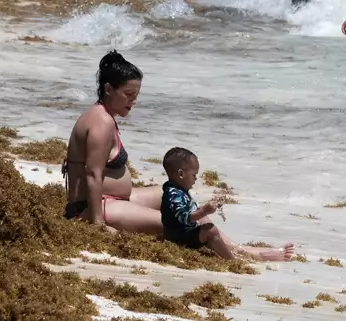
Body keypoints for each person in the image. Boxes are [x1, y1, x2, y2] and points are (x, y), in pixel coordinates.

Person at [63, 52, 162, 233]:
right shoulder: (102, 121)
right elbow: (93, 174)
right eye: (129, 94)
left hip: (111, 200)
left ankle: (232, 250)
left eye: (136, 95)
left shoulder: (103, 115)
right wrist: (98, 224)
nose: (133, 101)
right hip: (94, 208)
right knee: (180, 223)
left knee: (173, 196)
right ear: (109, 89)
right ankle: (231, 252)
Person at [160, 147, 293, 261]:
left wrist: (203, 209)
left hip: (180, 233)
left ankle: (236, 252)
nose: (196, 178)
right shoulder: (174, 194)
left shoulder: (178, 190)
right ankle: (232, 259)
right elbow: (184, 216)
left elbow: (187, 211)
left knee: (207, 227)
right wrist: (203, 211)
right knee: (210, 230)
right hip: (177, 237)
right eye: (194, 175)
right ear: (181, 174)